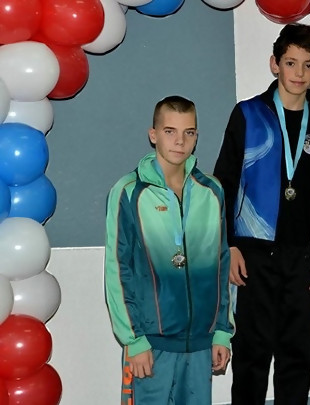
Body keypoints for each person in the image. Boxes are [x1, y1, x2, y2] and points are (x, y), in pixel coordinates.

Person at [213, 23, 310, 405]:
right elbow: (224, 182)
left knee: (296, 358)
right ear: (275, 64)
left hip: (303, 255)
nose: (299, 73)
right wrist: (229, 244)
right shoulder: (248, 114)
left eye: (308, 65)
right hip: (254, 252)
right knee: (251, 357)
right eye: (291, 62)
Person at [104, 95, 234, 405]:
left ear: (197, 136)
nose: (180, 141)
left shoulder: (212, 191)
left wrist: (221, 331)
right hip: (151, 344)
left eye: (189, 132)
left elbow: (221, 265)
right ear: (153, 135)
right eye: (170, 131)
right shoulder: (129, 192)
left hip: (201, 342)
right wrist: (134, 340)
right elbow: (118, 270)